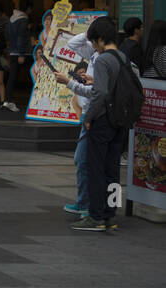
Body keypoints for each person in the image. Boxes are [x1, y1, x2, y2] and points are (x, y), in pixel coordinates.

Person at [70, 17, 136, 232]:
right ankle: (111, 215)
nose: (93, 47)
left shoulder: (102, 60)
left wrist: (88, 118)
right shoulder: (123, 57)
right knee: (113, 170)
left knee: (96, 168)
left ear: (99, 39)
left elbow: (100, 94)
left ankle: (95, 216)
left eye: (94, 42)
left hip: (102, 121)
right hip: (120, 121)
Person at [55, 30, 100, 219]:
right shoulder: (97, 54)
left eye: (92, 38)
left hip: (95, 116)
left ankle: (90, 207)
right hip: (91, 116)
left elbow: (97, 92)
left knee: (85, 161)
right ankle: (91, 206)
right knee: (83, 160)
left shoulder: (104, 59)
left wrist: (70, 83)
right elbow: (72, 44)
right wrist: (90, 33)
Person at [3, 0, 33, 112]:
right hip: (22, 52)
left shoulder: (11, 18)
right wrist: (21, 53)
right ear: (28, 8)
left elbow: (7, 35)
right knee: (33, 75)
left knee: (12, 77)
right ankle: (35, 101)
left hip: (13, 51)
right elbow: (21, 37)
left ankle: (7, 101)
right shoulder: (23, 20)